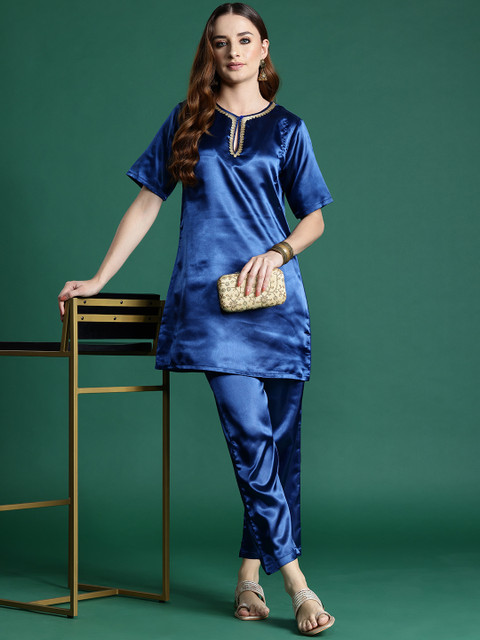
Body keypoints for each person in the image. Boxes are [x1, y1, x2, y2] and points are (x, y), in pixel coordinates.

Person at [58, 3, 335, 635]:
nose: (232, 51)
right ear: (210, 51)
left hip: (277, 308)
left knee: (278, 450)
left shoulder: (288, 129)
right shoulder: (189, 120)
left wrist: (278, 251)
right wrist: (98, 280)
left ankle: (247, 577)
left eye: (244, 39)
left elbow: (314, 217)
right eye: (220, 42)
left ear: (264, 48)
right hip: (211, 311)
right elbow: (146, 203)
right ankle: (298, 585)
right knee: (251, 441)